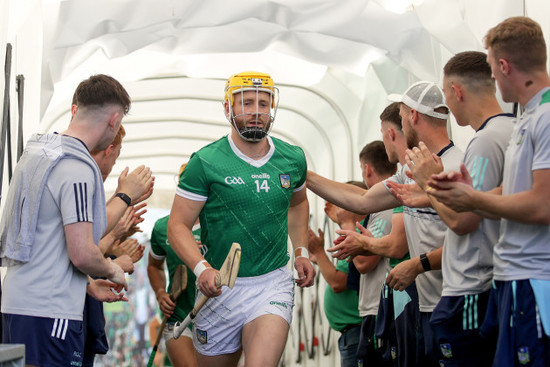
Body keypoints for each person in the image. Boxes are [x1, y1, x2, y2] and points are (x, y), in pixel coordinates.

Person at [308, 81, 463, 366]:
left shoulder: (456, 166)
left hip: (455, 302)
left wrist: (417, 264)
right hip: (425, 307)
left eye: (402, 114)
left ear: (413, 116)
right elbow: (364, 201)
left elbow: (469, 236)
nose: (402, 124)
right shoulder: (411, 169)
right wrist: (304, 175)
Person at [166, 71, 315, 367]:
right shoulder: (205, 162)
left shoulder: (292, 158)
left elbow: (298, 204)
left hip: (272, 284)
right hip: (220, 288)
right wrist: (202, 269)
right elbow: (177, 226)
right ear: (227, 108)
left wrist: (301, 251)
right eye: (246, 103)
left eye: (264, 103)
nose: (257, 112)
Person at [427, 17, 550, 366]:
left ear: (504, 65)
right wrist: (459, 192)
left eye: (494, 72)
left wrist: (472, 200)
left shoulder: (545, 117)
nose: (493, 81)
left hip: (535, 281)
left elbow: (543, 204)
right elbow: (513, 190)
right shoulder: (527, 118)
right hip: (513, 281)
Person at [0, 74, 138, 366]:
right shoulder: (77, 167)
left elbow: (45, 241)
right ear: (114, 121)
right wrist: (113, 270)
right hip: (50, 314)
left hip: (17, 304)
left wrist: (86, 285)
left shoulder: (37, 152)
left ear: (77, 107)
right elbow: (82, 252)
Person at [395, 51, 514, 366]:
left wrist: (429, 183)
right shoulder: (510, 130)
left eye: (446, 95)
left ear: (457, 91)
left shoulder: (485, 141)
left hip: (473, 288)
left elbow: (463, 220)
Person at [148, 163, 200, 367]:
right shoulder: (163, 228)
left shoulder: (221, 225)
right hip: (178, 316)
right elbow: (154, 266)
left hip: (218, 318)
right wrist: (160, 293)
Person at [307, 183, 365, 367]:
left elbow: (338, 282)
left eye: (341, 202)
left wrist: (319, 251)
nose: (337, 208)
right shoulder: (353, 234)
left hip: (357, 333)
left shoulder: (357, 236)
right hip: (352, 335)